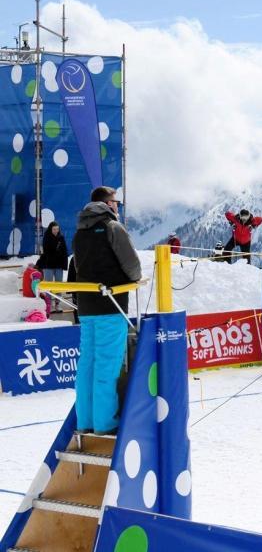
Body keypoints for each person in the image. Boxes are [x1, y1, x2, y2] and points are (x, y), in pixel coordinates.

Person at [73, 186, 142, 436]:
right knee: (107, 365)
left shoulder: (80, 231)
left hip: (86, 307)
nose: (118, 207)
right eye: (116, 202)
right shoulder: (113, 227)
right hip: (110, 305)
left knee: (87, 364)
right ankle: (105, 423)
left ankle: (85, 421)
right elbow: (133, 266)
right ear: (108, 204)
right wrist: (133, 278)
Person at [36, 221, 68, 287]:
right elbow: (44, 252)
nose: (56, 231)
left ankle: (58, 294)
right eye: (54, 229)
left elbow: (64, 251)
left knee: (59, 285)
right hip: (48, 265)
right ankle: (48, 294)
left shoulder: (61, 238)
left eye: (57, 229)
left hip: (59, 265)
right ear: (50, 229)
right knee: (48, 285)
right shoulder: (46, 238)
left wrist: (65, 264)